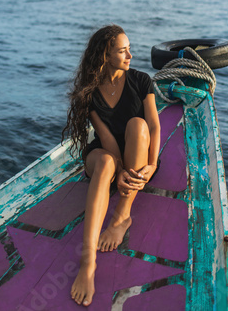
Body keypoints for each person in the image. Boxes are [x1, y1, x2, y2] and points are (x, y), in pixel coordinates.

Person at [62, 24, 161, 307]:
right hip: (106, 153)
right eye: (122, 50)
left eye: (129, 48)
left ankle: (121, 217)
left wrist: (152, 165)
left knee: (139, 124)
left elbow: (154, 126)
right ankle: (87, 262)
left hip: (139, 149)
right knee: (105, 162)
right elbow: (105, 139)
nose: (130, 54)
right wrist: (118, 170)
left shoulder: (141, 81)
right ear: (106, 55)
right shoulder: (90, 91)